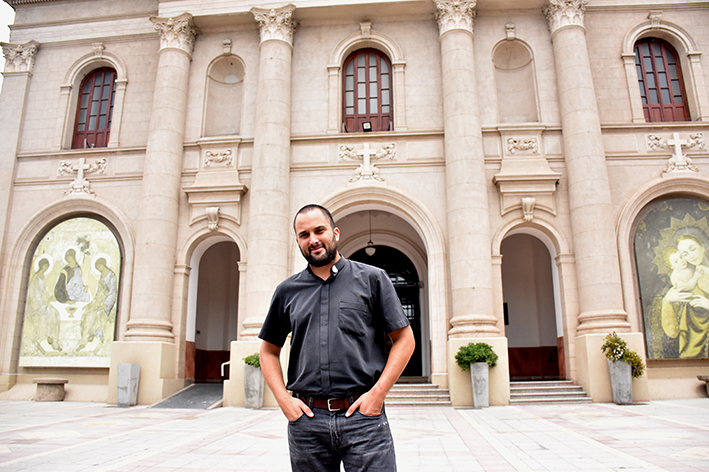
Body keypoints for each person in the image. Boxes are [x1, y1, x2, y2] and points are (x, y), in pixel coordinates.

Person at [259, 204, 415, 472]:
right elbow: (268, 351)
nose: (313, 240)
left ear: (335, 233)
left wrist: (378, 394)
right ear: (298, 241)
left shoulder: (373, 279)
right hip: (307, 422)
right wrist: (284, 400)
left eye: (319, 230)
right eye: (304, 234)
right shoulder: (287, 291)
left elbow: (405, 339)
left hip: (363, 418)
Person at [662, 234, 709, 357]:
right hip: (694, 339)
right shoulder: (687, 277)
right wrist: (668, 300)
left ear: (703, 246)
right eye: (685, 254)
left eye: (693, 249)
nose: (690, 256)